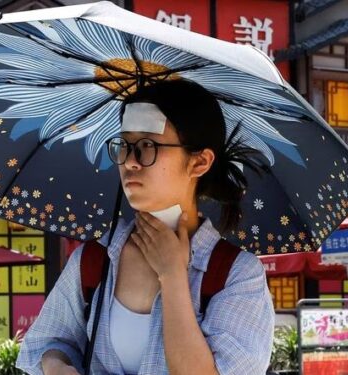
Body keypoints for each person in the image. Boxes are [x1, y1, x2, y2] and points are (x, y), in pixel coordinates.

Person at [16, 79, 275, 375]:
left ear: (200, 162)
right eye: (125, 145)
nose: (131, 162)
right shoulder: (95, 259)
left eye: (148, 146)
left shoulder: (236, 275)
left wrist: (173, 275)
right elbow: (48, 341)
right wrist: (56, 366)